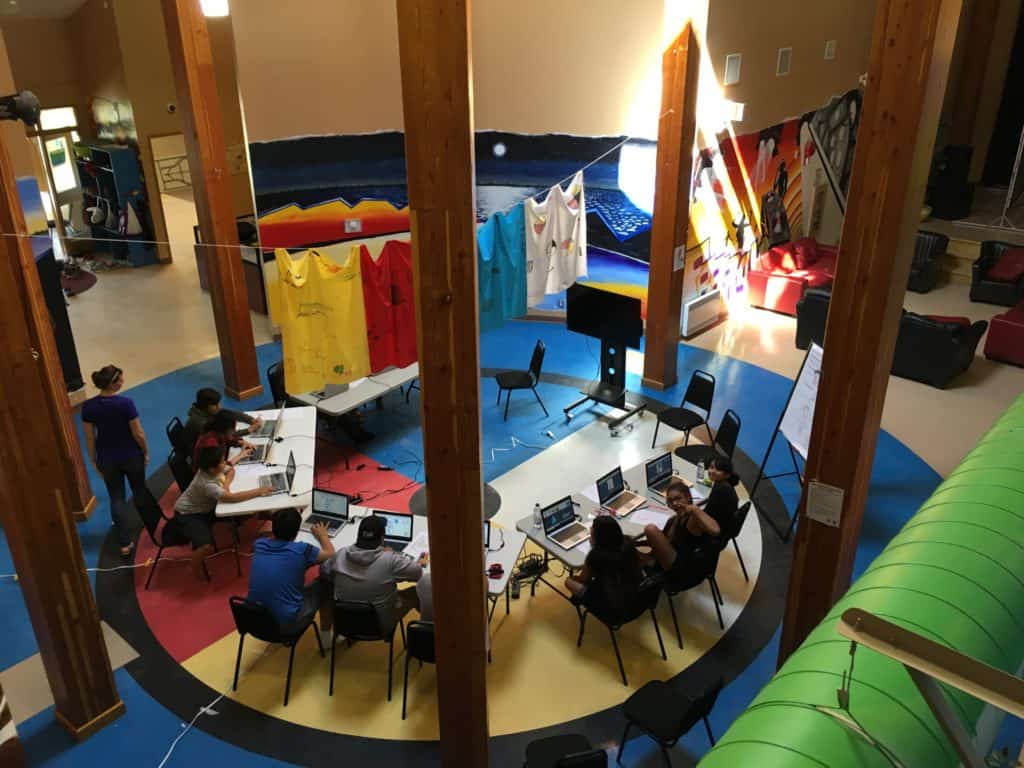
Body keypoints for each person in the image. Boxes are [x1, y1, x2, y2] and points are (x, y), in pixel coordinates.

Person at [81, 364, 161, 557]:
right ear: (114, 383)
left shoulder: (89, 407)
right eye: (121, 379)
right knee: (139, 490)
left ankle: (124, 543)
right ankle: (151, 527)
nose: (123, 382)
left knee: (116, 497)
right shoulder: (126, 404)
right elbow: (138, 433)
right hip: (131, 455)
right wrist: (145, 451)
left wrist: (93, 459)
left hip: (107, 459)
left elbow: (89, 437)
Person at [174, 445, 274, 580]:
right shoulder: (207, 485)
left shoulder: (211, 470)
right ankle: (196, 570)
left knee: (243, 513)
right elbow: (233, 498)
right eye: (221, 462)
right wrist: (259, 491)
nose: (224, 463)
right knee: (205, 546)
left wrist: (225, 486)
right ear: (211, 468)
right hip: (188, 514)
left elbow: (231, 470)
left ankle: (265, 515)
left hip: (205, 507)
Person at [321, 515, 428, 635]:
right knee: (417, 591)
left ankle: (325, 636)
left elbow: (324, 572)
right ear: (382, 539)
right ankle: (427, 633)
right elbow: (418, 574)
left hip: (345, 623)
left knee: (326, 586)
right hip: (381, 626)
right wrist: (402, 558)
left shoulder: (340, 554)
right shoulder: (390, 560)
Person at [247, 508, 335, 629]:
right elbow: (330, 554)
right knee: (326, 583)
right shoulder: (302, 550)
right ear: (296, 531)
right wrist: (323, 535)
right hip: (287, 623)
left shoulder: (259, 545)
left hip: (253, 619)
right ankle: (326, 640)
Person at [642, 479, 721, 587]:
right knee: (629, 550)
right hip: (675, 558)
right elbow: (667, 539)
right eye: (670, 501)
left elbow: (715, 530)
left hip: (682, 570)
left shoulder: (693, 518)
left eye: (678, 498)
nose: (674, 503)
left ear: (688, 497)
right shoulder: (675, 518)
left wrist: (694, 509)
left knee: (650, 529)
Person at [565, 515, 644, 620]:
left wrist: (585, 567)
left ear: (598, 537)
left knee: (569, 581)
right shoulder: (627, 542)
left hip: (613, 608)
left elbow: (584, 579)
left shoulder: (596, 555)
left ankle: (582, 599)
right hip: (637, 597)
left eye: (592, 531)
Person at [182, 388, 262, 454]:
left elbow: (232, 414)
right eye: (215, 405)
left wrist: (251, 420)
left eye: (218, 403)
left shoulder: (208, 410)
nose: (219, 407)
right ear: (205, 405)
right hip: (203, 454)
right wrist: (248, 430)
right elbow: (223, 436)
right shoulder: (199, 423)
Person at [703, 455, 740, 532]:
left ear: (727, 475)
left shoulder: (720, 490)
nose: (712, 471)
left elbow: (706, 514)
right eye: (711, 467)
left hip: (717, 529)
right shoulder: (724, 484)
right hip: (723, 524)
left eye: (718, 469)